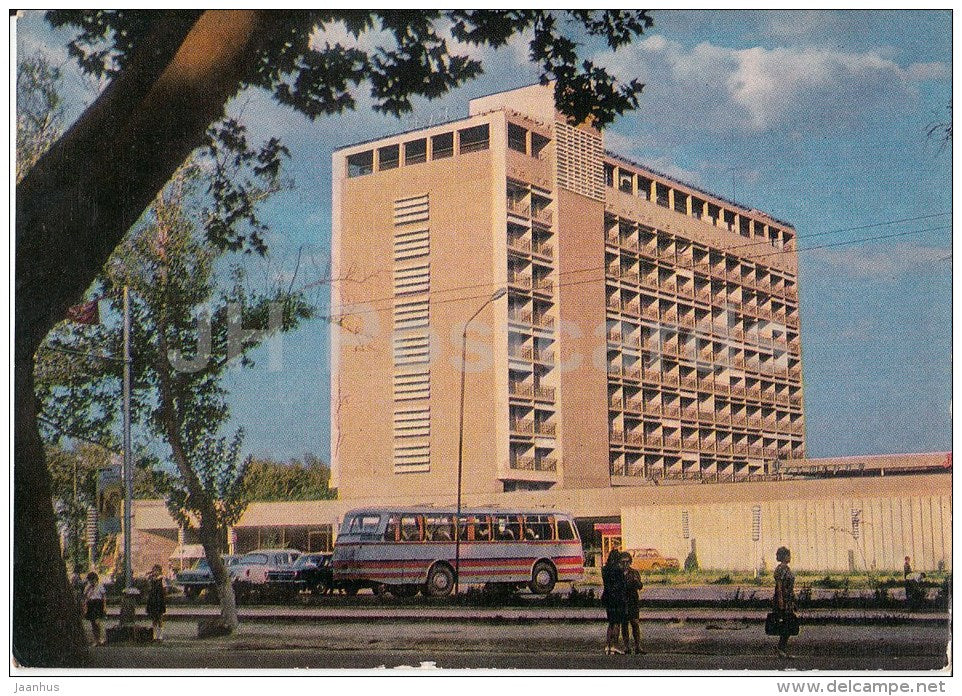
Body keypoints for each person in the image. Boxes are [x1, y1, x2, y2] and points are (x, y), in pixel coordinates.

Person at [601, 550, 628, 654]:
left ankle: (607, 645)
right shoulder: (619, 570)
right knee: (617, 623)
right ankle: (614, 645)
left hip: (607, 597)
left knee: (610, 623)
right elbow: (622, 584)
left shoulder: (605, 569)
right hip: (617, 598)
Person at [772, 546, 797, 659]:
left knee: (788, 624)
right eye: (788, 555)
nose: (790, 557)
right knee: (786, 624)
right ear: (784, 556)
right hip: (783, 599)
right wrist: (781, 601)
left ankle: (782, 648)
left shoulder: (785, 568)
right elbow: (779, 586)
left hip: (788, 599)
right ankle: (781, 648)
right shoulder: (782, 569)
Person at [621, 552, 644, 654]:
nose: (625, 564)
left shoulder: (634, 573)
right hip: (622, 601)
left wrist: (636, 582)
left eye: (627, 562)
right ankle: (626, 647)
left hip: (633, 600)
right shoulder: (618, 574)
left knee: (635, 623)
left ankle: (638, 646)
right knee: (624, 624)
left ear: (630, 562)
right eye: (623, 562)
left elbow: (640, 586)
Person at [83, 571, 107, 646]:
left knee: (97, 622)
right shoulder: (88, 586)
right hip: (91, 604)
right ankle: (95, 639)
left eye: (92, 580)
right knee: (93, 623)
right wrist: (85, 606)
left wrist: (104, 606)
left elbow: (104, 597)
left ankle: (101, 638)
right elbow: (85, 596)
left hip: (98, 604)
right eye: (90, 580)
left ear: (96, 579)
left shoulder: (100, 586)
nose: (91, 581)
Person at [146, 564, 167, 641]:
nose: (155, 572)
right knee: (154, 618)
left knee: (160, 618)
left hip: (159, 599)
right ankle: (154, 634)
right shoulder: (151, 579)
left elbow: (165, 590)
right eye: (154, 570)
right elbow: (148, 588)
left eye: (157, 570)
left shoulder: (162, 579)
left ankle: (160, 634)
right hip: (152, 599)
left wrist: (164, 598)